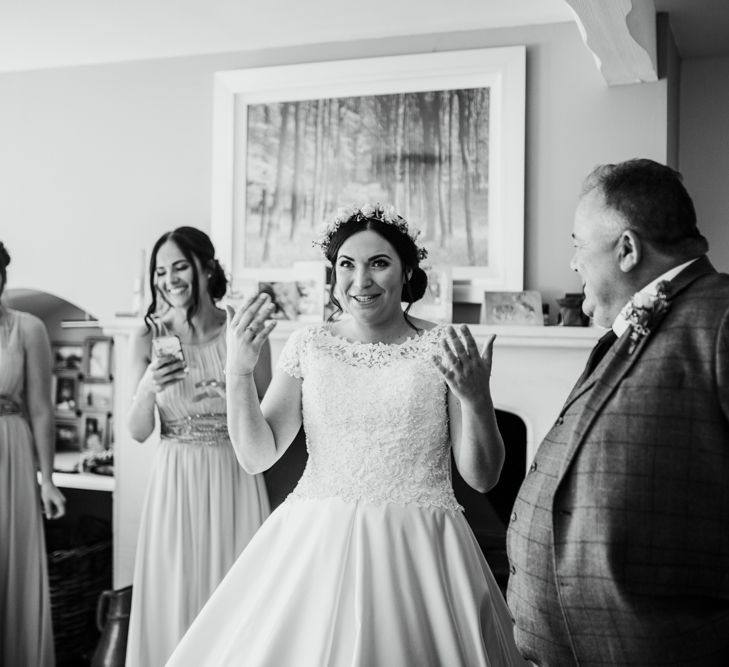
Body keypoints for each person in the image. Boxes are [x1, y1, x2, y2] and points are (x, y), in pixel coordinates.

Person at [166, 204, 527, 666]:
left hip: (421, 548)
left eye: (379, 263)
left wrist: (477, 399)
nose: (361, 281)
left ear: (407, 271)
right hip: (315, 545)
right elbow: (257, 455)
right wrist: (238, 371)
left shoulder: (445, 344)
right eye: (347, 265)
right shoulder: (309, 345)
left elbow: (482, 478)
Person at [506, 158, 729, 665]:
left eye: (578, 244)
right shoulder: (626, 330)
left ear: (627, 249)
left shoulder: (721, 318)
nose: (573, 263)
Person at [125, 227, 272, 667]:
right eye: (161, 271)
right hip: (176, 480)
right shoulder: (147, 335)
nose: (169, 279)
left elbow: (265, 423)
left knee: (236, 593)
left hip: (234, 474)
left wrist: (236, 377)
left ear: (206, 268)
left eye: (180, 267)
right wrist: (148, 386)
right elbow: (136, 431)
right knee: (176, 593)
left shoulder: (240, 331)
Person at [0, 241, 66, 667]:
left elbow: (41, 409)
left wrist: (48, 479)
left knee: (13, 566)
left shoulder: (28, 328)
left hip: (11, 450)